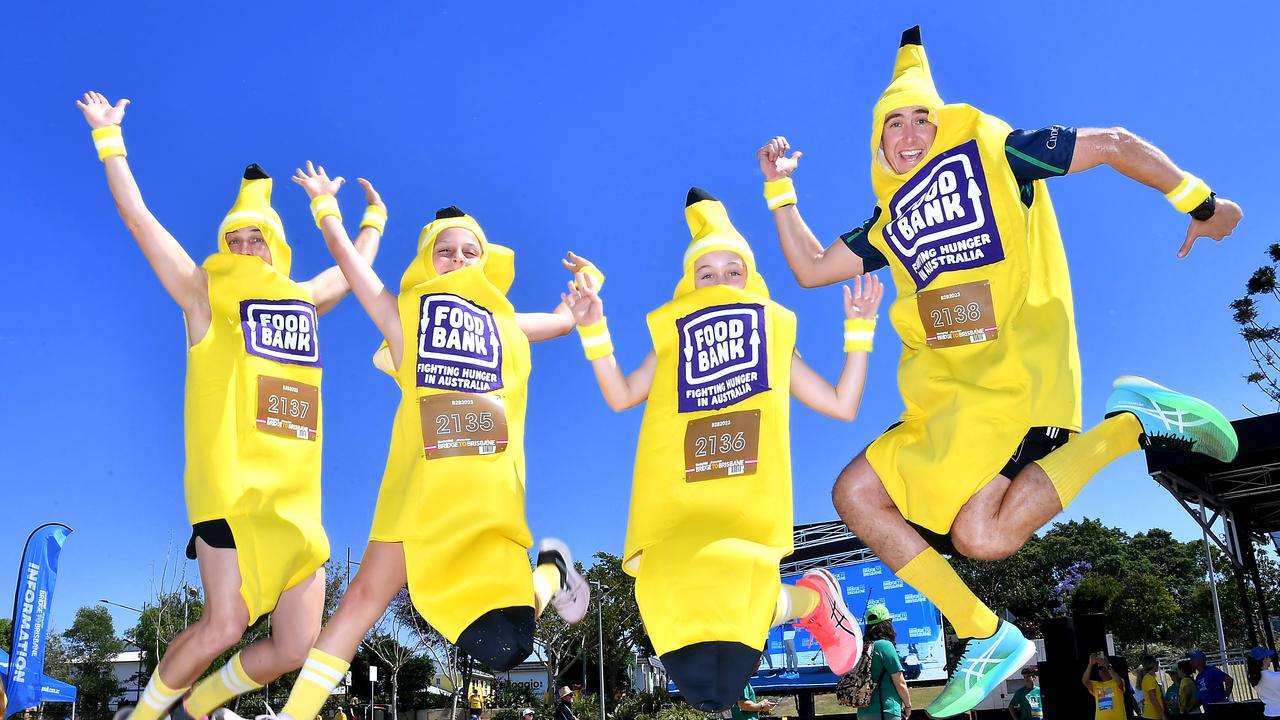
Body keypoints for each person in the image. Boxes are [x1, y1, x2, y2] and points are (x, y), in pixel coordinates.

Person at [758, 25, 1242, 718]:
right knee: (871, 499)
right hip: (949, 403)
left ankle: (1133, 425)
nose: (911, 133)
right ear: (878, 143)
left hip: (1020, 384)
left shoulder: (1002, 153)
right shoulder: (890, 222)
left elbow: (1113, 145)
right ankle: (987, 630)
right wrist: (781, 192)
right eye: (894, 122)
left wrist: (1200, 202)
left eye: (924, 116)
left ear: (945, 121)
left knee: (956, 528)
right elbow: (808, 268)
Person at [78, 92, 383, 720]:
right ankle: (143, 716)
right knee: (226, 623)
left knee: (297, 644)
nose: (244, 248)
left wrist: (372, 223)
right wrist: (111, 141)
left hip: (296, 502)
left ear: (277, 247)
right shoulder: (202, 297)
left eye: (257, 239)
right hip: (228, 492)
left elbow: (348, 275)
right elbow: (139, 219)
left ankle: (202, 706)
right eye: (234, 238)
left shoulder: (300, 303)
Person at [257, 168, 594, 720]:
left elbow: (558, 323)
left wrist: (581, 303)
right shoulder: (406, 320)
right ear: (425, 260)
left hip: (483, 504)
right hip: (415, 499)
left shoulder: (506, 323)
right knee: (360, 604)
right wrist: (326, 210)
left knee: (507, 645)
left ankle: (549, 570)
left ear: (485, 262)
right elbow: (357, 272)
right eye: (445, 251)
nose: (459, 260)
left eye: (470, 251)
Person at [564, 189, 881, 710]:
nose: (717, 283)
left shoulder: (774, 338)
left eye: (731, 271)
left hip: (744, 518)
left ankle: (814, 600)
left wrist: (859, 332)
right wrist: (593, 326)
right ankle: (810, 601)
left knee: (733, 640)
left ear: (750, 278)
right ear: (689, 284)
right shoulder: (671, 343)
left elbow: (842, 405)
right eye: (704, 274)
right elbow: (621, 395)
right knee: (675, 626)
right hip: (671, 518)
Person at [860, 605, 911, 720]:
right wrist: (908, 706)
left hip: (863, 711)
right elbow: (900, 683)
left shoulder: (861, 647)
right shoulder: (885, 646)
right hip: (886, 710)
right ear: (886, 625)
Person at [1082, 653, 1127, 720]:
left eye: (1104, 668)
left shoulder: (1117, 681)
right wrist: (1090, 664)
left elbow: (1119, 683)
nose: (1103, 669)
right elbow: (1085, 681)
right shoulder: (1096, 685)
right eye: (1100, 668)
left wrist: (1107, 665)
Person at [1246, 647, 1280, 720]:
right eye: (1268, 656)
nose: (1270, 658)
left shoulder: (1253, 678)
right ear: (1264, 660)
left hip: (1268, 713)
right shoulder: (1276, 677)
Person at [1137, 654, 1169, 720]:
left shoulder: (1150, 678)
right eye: (1156, 662)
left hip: (1154, 716)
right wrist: (1163, 715)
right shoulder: (1148, 679)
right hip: (1151, 716)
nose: (1158, 664)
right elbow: (1153, 699)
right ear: (1151, 664)